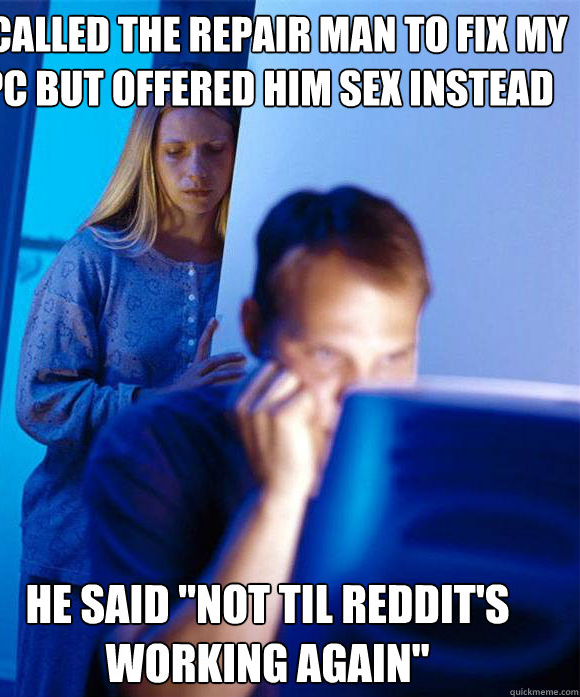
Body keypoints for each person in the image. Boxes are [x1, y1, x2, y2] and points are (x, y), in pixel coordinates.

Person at [83, 186, 431, 696]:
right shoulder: (149, 447)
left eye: (391, 359)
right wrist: (278, 501)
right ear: (254, 328)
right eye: (326, 356)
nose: (359, 396)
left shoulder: (430, 467)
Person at [15, 63, 245, 697]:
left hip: (187, 553)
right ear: (148, 155)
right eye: (175, 152)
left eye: (214, 149)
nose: (196, 170)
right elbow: (39, 401)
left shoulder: (246, 267)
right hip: (77, 547)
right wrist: (158, 401)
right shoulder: (93, 259)